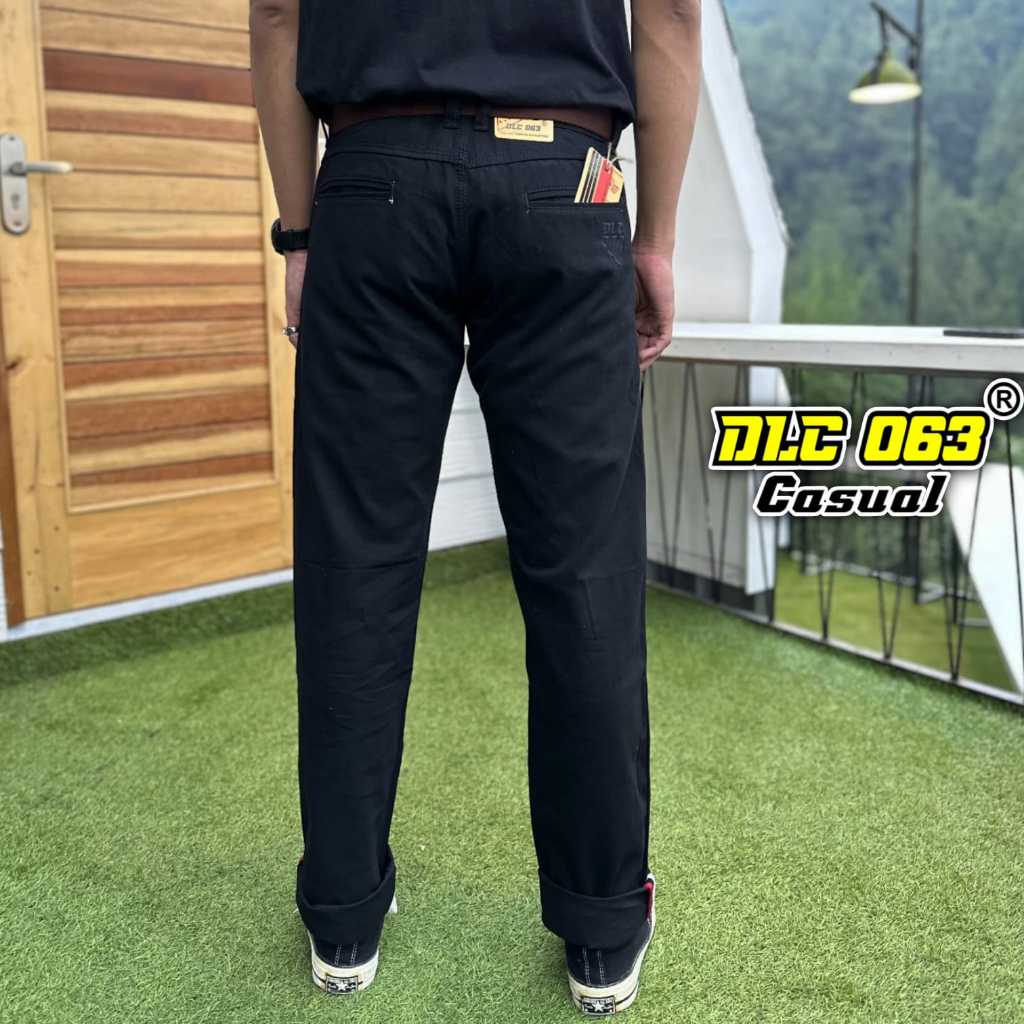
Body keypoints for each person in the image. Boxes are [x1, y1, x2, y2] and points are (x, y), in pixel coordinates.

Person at [249, 0, 701, 1013]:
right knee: (584, 573)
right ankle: (601, 927)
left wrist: (300, 235)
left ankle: (344, 917)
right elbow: (670, 14)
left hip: (370, 181)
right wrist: (657, 239)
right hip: (565, 177)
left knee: (354, 571)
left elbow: (277, 13)